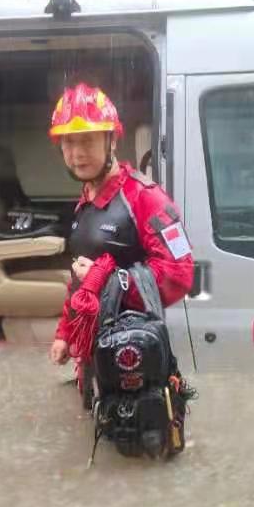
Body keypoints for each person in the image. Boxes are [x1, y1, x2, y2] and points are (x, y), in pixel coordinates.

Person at [47, 82, 194, 405]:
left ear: (111, 139)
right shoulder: (85, 198)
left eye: (87, 140)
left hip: (135, 359)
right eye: (68, 143)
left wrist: (108, 280)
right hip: (95, 359)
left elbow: (180, 274)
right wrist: (65, 334)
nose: (77, 153)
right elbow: (80, 282)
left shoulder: (148, 198)